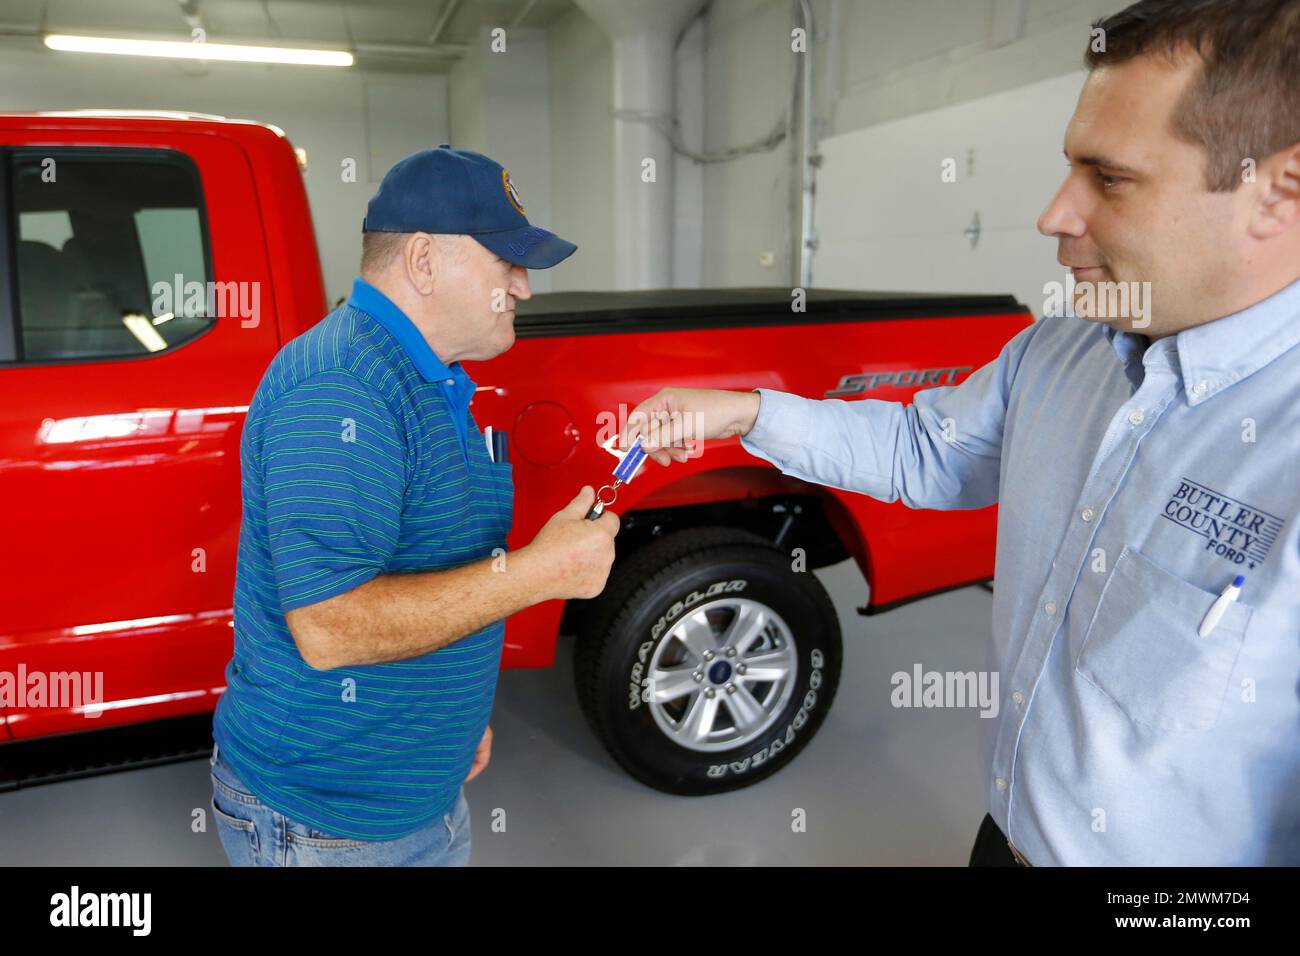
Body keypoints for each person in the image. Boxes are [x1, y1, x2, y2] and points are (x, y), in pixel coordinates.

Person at [622, 0, 1300, 866]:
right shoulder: (1063, 348)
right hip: (1004, 836)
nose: (1055, 214)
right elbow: (931, 453)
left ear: (1277, 192)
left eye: (1110, 178)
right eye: (1070, 167)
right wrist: (744, 413)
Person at [210, 146, 619, 866]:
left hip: (424, 792)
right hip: (331, 824)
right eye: (507, 262)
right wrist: (542, 572)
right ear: (424, 260)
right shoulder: (342, 387)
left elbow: (433, 565)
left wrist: (452, 723)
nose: (524, 288)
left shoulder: (430, 377)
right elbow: (330, 627)